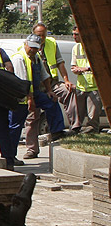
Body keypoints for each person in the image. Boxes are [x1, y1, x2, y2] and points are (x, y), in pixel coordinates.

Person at [22, 24, 69, 159]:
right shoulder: (22, 55)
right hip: (28, 92)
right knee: (31, 119)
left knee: (52, 101)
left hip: (42, 89)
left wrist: (49, 91)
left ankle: (57, 131)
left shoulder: (43, 50)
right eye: (38, 35)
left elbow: (44, 74)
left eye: (43, 35)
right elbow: (25, 80)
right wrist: (29, 98)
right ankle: (31, 150)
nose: (41, 37)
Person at [9, 34, 42, 166]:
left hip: (24, 100)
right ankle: (9, 157)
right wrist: (30, 99)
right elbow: (23, 82)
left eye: (36, 48)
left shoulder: (35, 58)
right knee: (14, 129)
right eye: (31, 47)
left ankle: (10, 156)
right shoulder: (19, 58)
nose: (33, 50)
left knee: (15, 129)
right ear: (25, 44)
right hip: (18, 101)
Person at [71, 26, 103, 133]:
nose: (74, 36)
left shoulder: (94, 47)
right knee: (78, 113)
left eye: (76, 34)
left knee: (93, 115)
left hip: (94, 86)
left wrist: (85, 68)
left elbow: (99, 65)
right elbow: (73, 66)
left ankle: (93, 132)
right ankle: (78, 130)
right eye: (73, 34)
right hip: (81, 86)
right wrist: (77, 69)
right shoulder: (76, 48)